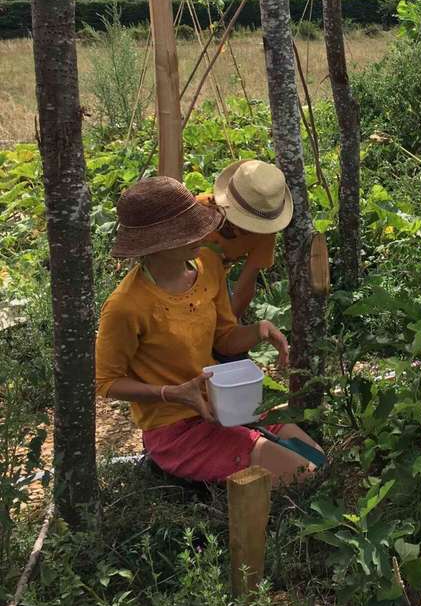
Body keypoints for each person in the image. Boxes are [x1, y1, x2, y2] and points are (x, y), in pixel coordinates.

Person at [95, 176, 321, 486]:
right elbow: (106, 382)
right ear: (157, 244)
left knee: (318, 459)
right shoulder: (126, 306)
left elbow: (224, 340)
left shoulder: (208, 265)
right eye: (188, 230)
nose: (202, 233)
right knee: (303, 476)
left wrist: (259, 330)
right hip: (175, 430)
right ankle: (172, 472)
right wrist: (171, 393)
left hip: (225, 406)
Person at [197, 159, 293, 321]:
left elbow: (245, 287)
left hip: (217, 282)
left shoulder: (265, 234)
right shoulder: (199, 210)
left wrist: (228, 326)